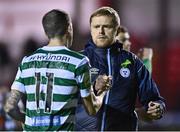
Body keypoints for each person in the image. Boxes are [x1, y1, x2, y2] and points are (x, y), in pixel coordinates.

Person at [4, 9, 111, 131]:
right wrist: (102, 92)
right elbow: (91, 109)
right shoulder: (79, 62)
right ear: (69, 28)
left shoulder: (27, 62)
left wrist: (27, 120)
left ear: (46, 32)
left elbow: (10, 107)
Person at [75, 6, 166, 131]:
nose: (100, 31)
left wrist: (157, 107)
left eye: (106, 26)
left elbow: (153, 98)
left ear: (116, 30)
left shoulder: (133, 62)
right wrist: (93, 88)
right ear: (91, 29)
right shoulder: (77, 60)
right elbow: (63, 100)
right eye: (96, 27)